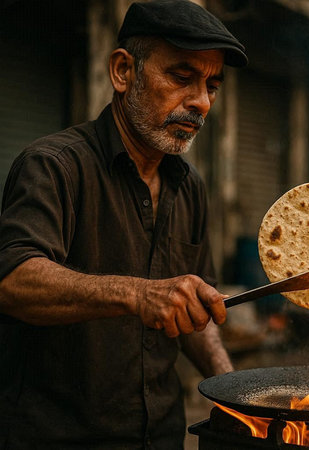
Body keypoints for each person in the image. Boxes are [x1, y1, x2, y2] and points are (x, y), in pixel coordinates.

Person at [0, 1, 247, 448]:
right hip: (61, 437)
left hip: (162, 435)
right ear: (122, 72)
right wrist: (137, 294)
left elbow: (196, 307)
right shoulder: (54, 165)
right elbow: (14, 281)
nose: (201, 102)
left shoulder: (189, 185)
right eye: (181, 77)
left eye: (213, 85)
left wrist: (230, 389)